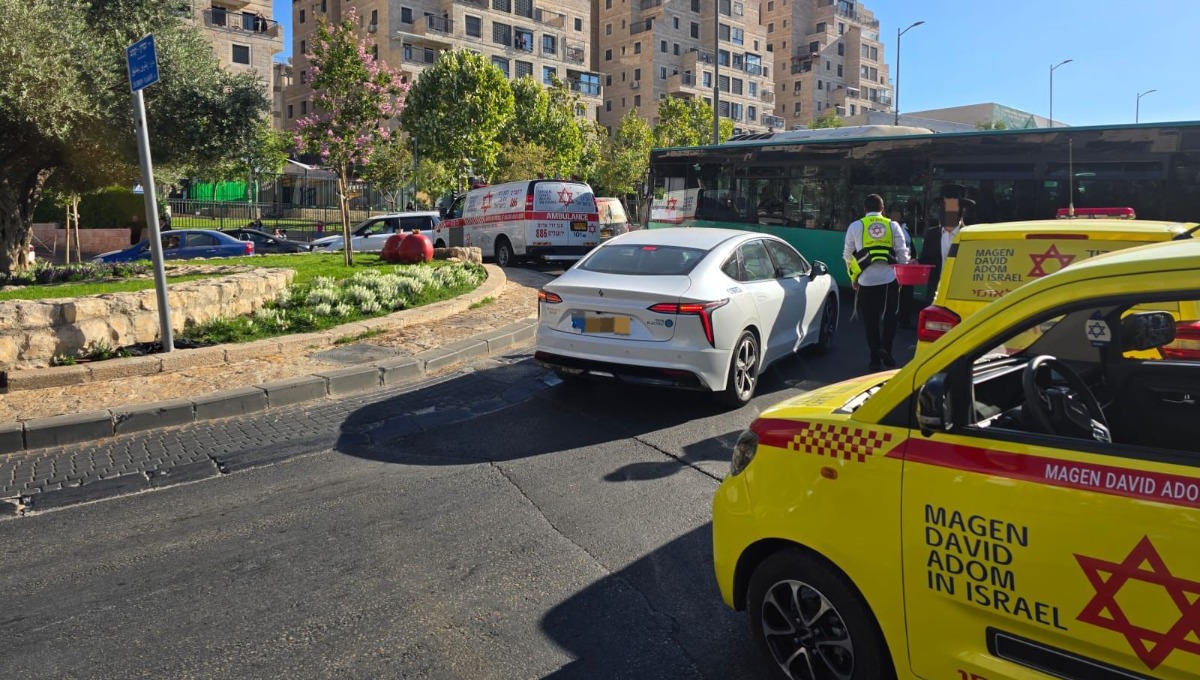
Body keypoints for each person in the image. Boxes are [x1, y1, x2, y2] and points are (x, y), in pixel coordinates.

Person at [844, 194, 910, 371]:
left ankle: (874, 359)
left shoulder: (856, 226)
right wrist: (901, 276)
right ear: (883, 208)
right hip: (889, 280)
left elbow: (848, 255)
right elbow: (902, 253)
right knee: (890, 318)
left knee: (870, 321)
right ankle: (886, 350)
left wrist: (853, 278)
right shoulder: (893, 225)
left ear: (865, 209)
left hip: (866, 281)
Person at [918, 198, 972, 304]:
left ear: (960, 212)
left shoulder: (969, 235)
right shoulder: (932, 235)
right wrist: (917, 262)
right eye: (943, 208)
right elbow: (925, 260)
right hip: (936, 291)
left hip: (961, 292)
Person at [889, 208, 915, 329]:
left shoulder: (905, 230)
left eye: (897, 214)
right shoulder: (888, 228)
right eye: (893, 214)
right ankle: (893, 319)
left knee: (906, 295)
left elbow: (911, 248)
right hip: (894, 267)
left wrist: (912, 260)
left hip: (906, 267)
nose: (895, 216)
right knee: (894, 296)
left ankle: (904, 320)